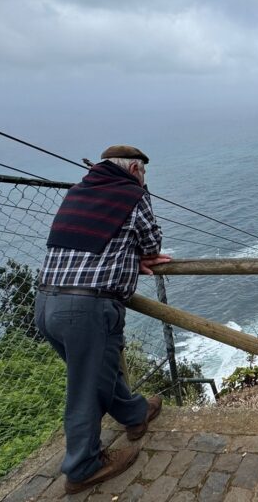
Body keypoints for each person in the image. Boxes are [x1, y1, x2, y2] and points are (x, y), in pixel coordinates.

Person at [34, 145, 172, 493]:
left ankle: (134, 414)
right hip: (87, 308)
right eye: (144, 175)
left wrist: (128, 256)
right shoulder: (131, 195)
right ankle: (83, 466)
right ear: (136, 170)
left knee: (100, 369)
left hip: (46, 303)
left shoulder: (77, 192)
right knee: (86, 388)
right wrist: (140, 249)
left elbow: (88, 243)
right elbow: (152, 243)